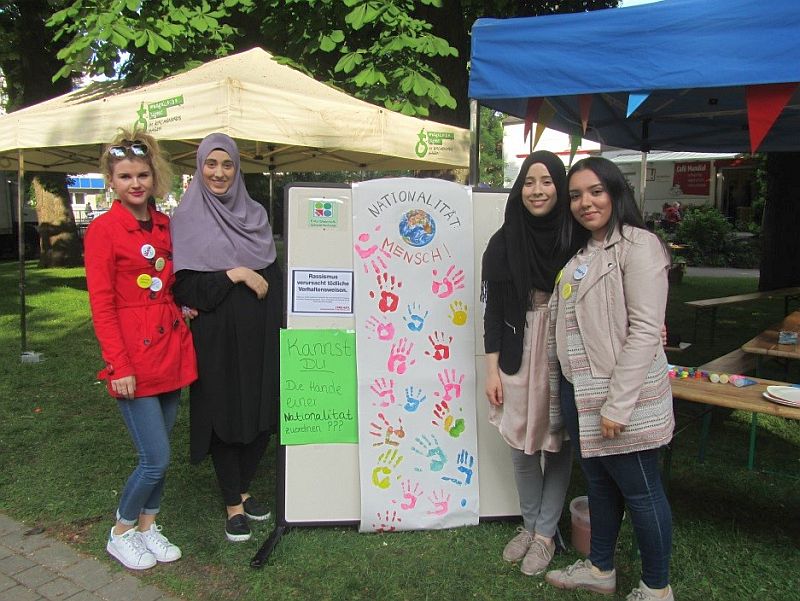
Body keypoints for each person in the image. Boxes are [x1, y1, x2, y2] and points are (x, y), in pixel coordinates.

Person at [545, 157, 675, 601]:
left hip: (620, 396)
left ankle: (656, 588)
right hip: (580, 392)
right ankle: (601, 568)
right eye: (577, 195)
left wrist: (618, 405)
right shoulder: (581, 255)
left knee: (641, 492)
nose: (586, 202)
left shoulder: (639, 246)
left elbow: (643, 331)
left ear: (616, 192)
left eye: (595, 191)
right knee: (599, 484)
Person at [84, 130, 197, 570]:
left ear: (154, 177)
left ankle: (149, 527)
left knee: (161, 449)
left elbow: (169, 279)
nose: (135, 183)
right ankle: (121, 530)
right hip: (132, 358)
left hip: (169, 349)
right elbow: (102, 304)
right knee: (156, 457)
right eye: (125, 176)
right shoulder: (103, 230)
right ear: (111, 181)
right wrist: (117, 364)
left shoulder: (166, 225)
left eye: (142, 175)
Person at [171, 133, 282, 542]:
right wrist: (236, 273)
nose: (219, 173)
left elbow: (272, 271)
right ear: (200, 168)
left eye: (227, 165)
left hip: (261, 332)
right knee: (224, 415)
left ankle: (244, 487)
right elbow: (186, 288)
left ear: (237, 168)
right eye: (211, 164)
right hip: (215, 339)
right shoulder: (186, 218)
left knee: (262, 412)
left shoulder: (255, 214)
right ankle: (233, 502)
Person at [481, 151, 580, 576]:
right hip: (518, 349)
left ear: (559, 186)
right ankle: (529, 524)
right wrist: (491, 370)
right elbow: (492, 312)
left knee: (558, 443)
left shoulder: (576, 237)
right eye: (528, 182)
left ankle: (544, 533)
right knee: (520, 441)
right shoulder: (503, 242)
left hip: (566, 349)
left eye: (546, 181)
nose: (537, 190)